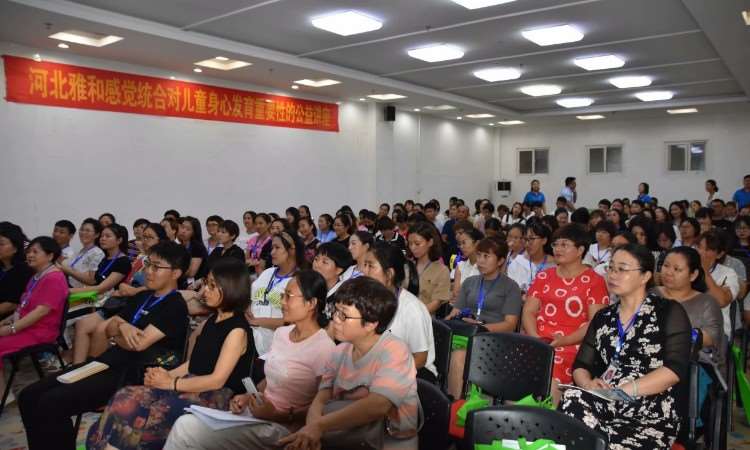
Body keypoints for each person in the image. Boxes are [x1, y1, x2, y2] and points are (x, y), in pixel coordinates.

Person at [19, 241, 190, 450]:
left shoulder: (175, 306)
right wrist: (122, 327)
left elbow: (137, 344)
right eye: (148, 264)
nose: (148, 271)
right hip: (107, 362)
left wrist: (118, 329)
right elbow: (108, 329)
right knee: (28, 396)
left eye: (157, 267)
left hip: (132, 375)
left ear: (175, 273)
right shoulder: (143, 296)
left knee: (51, 402)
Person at [86, 258, 253, 450]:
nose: (205, 290)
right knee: (124, 397)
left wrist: (170, 383)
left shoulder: (237, 330)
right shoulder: (214, 320)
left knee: (138, 414)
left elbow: (217, 380)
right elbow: (194, 363)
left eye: (212, 286)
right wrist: (164, 375)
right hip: (192, 384)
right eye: (207, 283)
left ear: (231, 288)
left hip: (215, 397)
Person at [164, 270, 336, 450]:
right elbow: (271, 379)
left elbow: (323, 404)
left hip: (284, 427)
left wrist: (279, 415)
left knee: (186, 428)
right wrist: (248, 396)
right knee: (191, 427)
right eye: (282, 296)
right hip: (256, 413)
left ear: (311, 303)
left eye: (288, 296)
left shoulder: (323, 348)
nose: (282, 302)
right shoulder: (282, 334)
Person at [560, 244, 692, 450]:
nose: (613, 275)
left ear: (645, 276)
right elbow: (581, 365)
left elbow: (675, 370)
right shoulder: (604, 316)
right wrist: (588, 384)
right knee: (572, 397)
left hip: (650, 410)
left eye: (622, 269)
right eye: (611, 268)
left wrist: (624, 390)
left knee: (583, 435)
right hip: (605, 403)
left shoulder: (668, 312)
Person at [278, 277, 421, 450]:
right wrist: (312, 431)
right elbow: (321, 398)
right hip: (350, 437)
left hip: (388, 441)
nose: (335, 319)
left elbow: (378, 405)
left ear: (370, 324)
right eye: (335, 311)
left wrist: (319, 426)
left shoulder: (395, 351)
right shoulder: (340, 351)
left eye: (343, 315)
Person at [522, 224, 609, 400]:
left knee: (550, 369)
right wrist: (535, 338)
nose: (558, 249)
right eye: (556, 244)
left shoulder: (595, 281)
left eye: (564, 244)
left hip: (573, 345)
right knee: (515, 364)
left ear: (580, 250)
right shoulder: (544, 276)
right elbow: (529, 311)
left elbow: (594, 323)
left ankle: (545, 413)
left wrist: (563, 341)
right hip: (538, 339)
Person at [445, 236, 523, 399]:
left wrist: (479, 328)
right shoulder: (470, 282)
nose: (480, 261)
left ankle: (455, 405)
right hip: (465, 335)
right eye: (479, 255)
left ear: (500, 260)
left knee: (459, 356)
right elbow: (454, 312)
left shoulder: (511, 287)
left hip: (495, 340)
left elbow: (510, 324)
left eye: (486, 256)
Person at [0, 237, 68, 403]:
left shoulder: (54, 278)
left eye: (35, 252)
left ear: (50, 255)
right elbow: (23, 306)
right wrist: (7, 320)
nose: (30, 255)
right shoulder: (37, 276)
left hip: (40, 332)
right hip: (27, 327)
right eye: (29, 251)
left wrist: (11, 329)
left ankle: (3, 395)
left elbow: (40, 312)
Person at [64, 224, 132, 364]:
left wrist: (70, 291)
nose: (102, 239)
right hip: (93, 296)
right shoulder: (105, 258)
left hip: (104, 300)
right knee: (62, 303)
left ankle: (72, 357)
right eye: (102, 236)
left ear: (119, 240)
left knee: (65, 311)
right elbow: (93, 282)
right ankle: (70, 355)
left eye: (108, 236)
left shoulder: (123, 261)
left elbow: (101, 288)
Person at [657, 246, 724, 369]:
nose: (669, 272)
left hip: (691, 365)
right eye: (666, 266)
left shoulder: (707, 303)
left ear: (693, 275)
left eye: (677, 269)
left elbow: (711, 338)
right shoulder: (651, 294)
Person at [247, 231, 305, 358]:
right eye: (272, 248)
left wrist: (257, 321)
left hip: (274, 343)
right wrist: (246, 310)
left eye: (277, 248)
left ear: (292, 250)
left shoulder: (299, 281)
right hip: (251, 333)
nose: (272, 252)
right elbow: (251, 298)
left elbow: (294, 322)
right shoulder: (268, 272)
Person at [697, 231, 739, 338]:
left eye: (708, 249)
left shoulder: (728, 273)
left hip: (716, 331)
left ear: (720, 254)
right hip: (687, 326)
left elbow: (721, 301)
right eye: (699, 247)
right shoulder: (686, 269)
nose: (701, 252)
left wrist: (705, 272)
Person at [408, 221, 451, 314]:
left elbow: (436, 303)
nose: (413, 248)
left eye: (417, 243)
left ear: (430, 242)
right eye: (410, 243)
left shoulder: (442, 270)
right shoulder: (407, 266)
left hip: (425, 317)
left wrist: (415, 317)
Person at [507, 219, 554, 294]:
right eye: (526, 239)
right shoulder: (518, 262)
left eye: (532, 239)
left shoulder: (554, 265)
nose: (527, 244)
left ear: (544, 240)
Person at [0, 224, 34, 320]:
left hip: (10, 320)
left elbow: (11, 304)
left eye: (1, 244)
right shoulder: (2, 266)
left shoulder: (24, 271)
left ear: (15, 248)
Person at [452, 228, 483, 300]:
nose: (461, 247)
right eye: (459, 244)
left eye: (464, 243)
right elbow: (456, 294)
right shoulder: (460, 266)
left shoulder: (485, 267)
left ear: (477, 243)